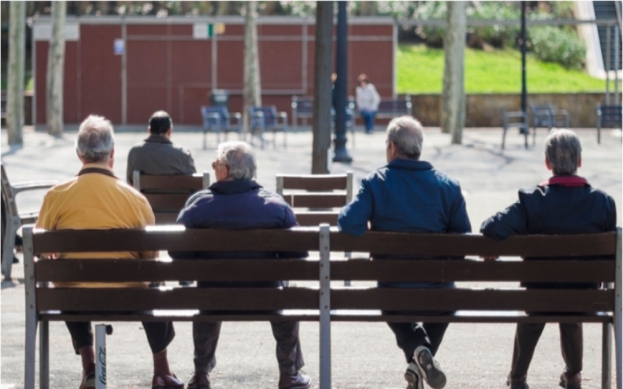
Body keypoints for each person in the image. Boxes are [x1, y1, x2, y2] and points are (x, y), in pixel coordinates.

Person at [36, 115, 183, 389]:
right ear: (112, 155)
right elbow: (150, 261)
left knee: (68, 281)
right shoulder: (135, 200)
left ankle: (89, 365)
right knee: (155, 283)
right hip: (128, 298)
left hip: (75, 299)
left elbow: (45, 253)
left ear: (79, 155)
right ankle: (162, 371)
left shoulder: (56, 196)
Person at [338, 116, 471, 389]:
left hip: (393, 289)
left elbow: (349, 224)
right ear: (419, 147)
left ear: (392, 148)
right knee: (448, 298)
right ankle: (420, 357)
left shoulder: (376, 183)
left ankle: (417, 353)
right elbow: (463, 245)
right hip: (440, 292)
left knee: (389, 297)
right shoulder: (449, 186)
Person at [480, 129, 616, 389]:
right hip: (585, 298)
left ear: (547, 163)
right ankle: (574, 374)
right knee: (571, 297)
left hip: (537, 297)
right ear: (579, 162)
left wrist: (492, 244)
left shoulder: (532, 201)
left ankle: (518, 377)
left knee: (539, 300)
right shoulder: (603, 203)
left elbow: (491, 226)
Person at [169, 141, 311, 389]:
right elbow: (298, 254)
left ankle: (201, 373)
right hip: (266, 299)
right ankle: (289, 373)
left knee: (206, 289)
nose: (214, 170)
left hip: (212, 300)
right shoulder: (276, 206)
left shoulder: (198, 205)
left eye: (215, 165)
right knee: (283, 289)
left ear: (224, 170)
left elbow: (177, 253)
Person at [126, 110, 196, 185]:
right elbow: (194, 184)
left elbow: (130, 182)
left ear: (149, 131)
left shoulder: (135, 152)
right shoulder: (183, 154)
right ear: (169, 131)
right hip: (176, 196)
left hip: (144, 196)